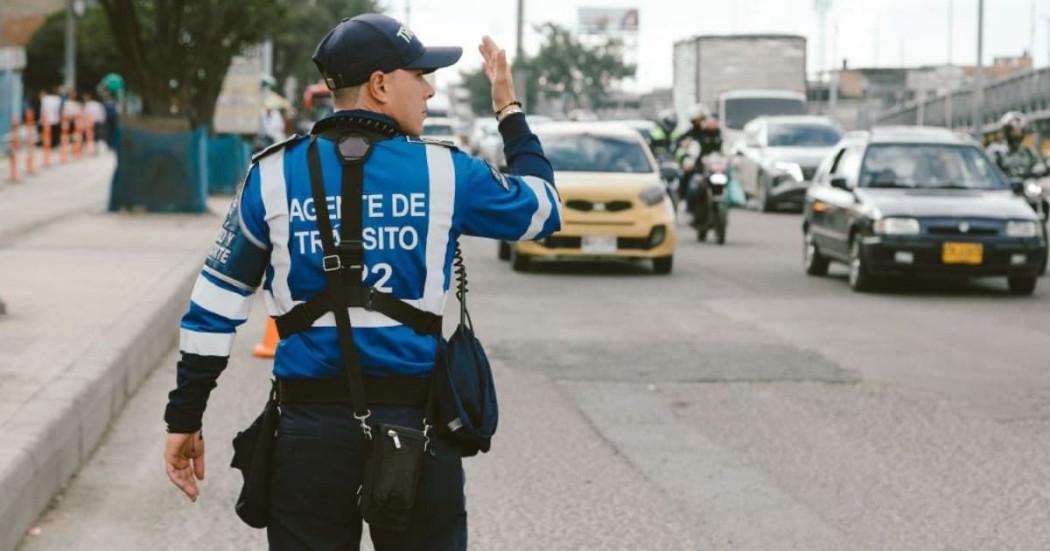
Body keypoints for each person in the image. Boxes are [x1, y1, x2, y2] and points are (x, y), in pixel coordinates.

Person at [162, 13, 560, 550]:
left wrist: (185, 416)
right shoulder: (446, 172)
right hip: (417, 433)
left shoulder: (271, 175)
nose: (429, 88)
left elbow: (212, 309)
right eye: (418, 75)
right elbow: (542, 209)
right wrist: (508, 109)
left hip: (305, 440)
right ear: (379, 85)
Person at [988, 111, 1043, 179]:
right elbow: (989, 172)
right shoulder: (996, 152)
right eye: (1011, 130)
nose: (1015, 134)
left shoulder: (1029, 152)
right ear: (1005, 131)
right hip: (1006, 186)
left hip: (1028, 186)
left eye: (1019, 130)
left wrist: (1038, 169)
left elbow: (1039, 165)